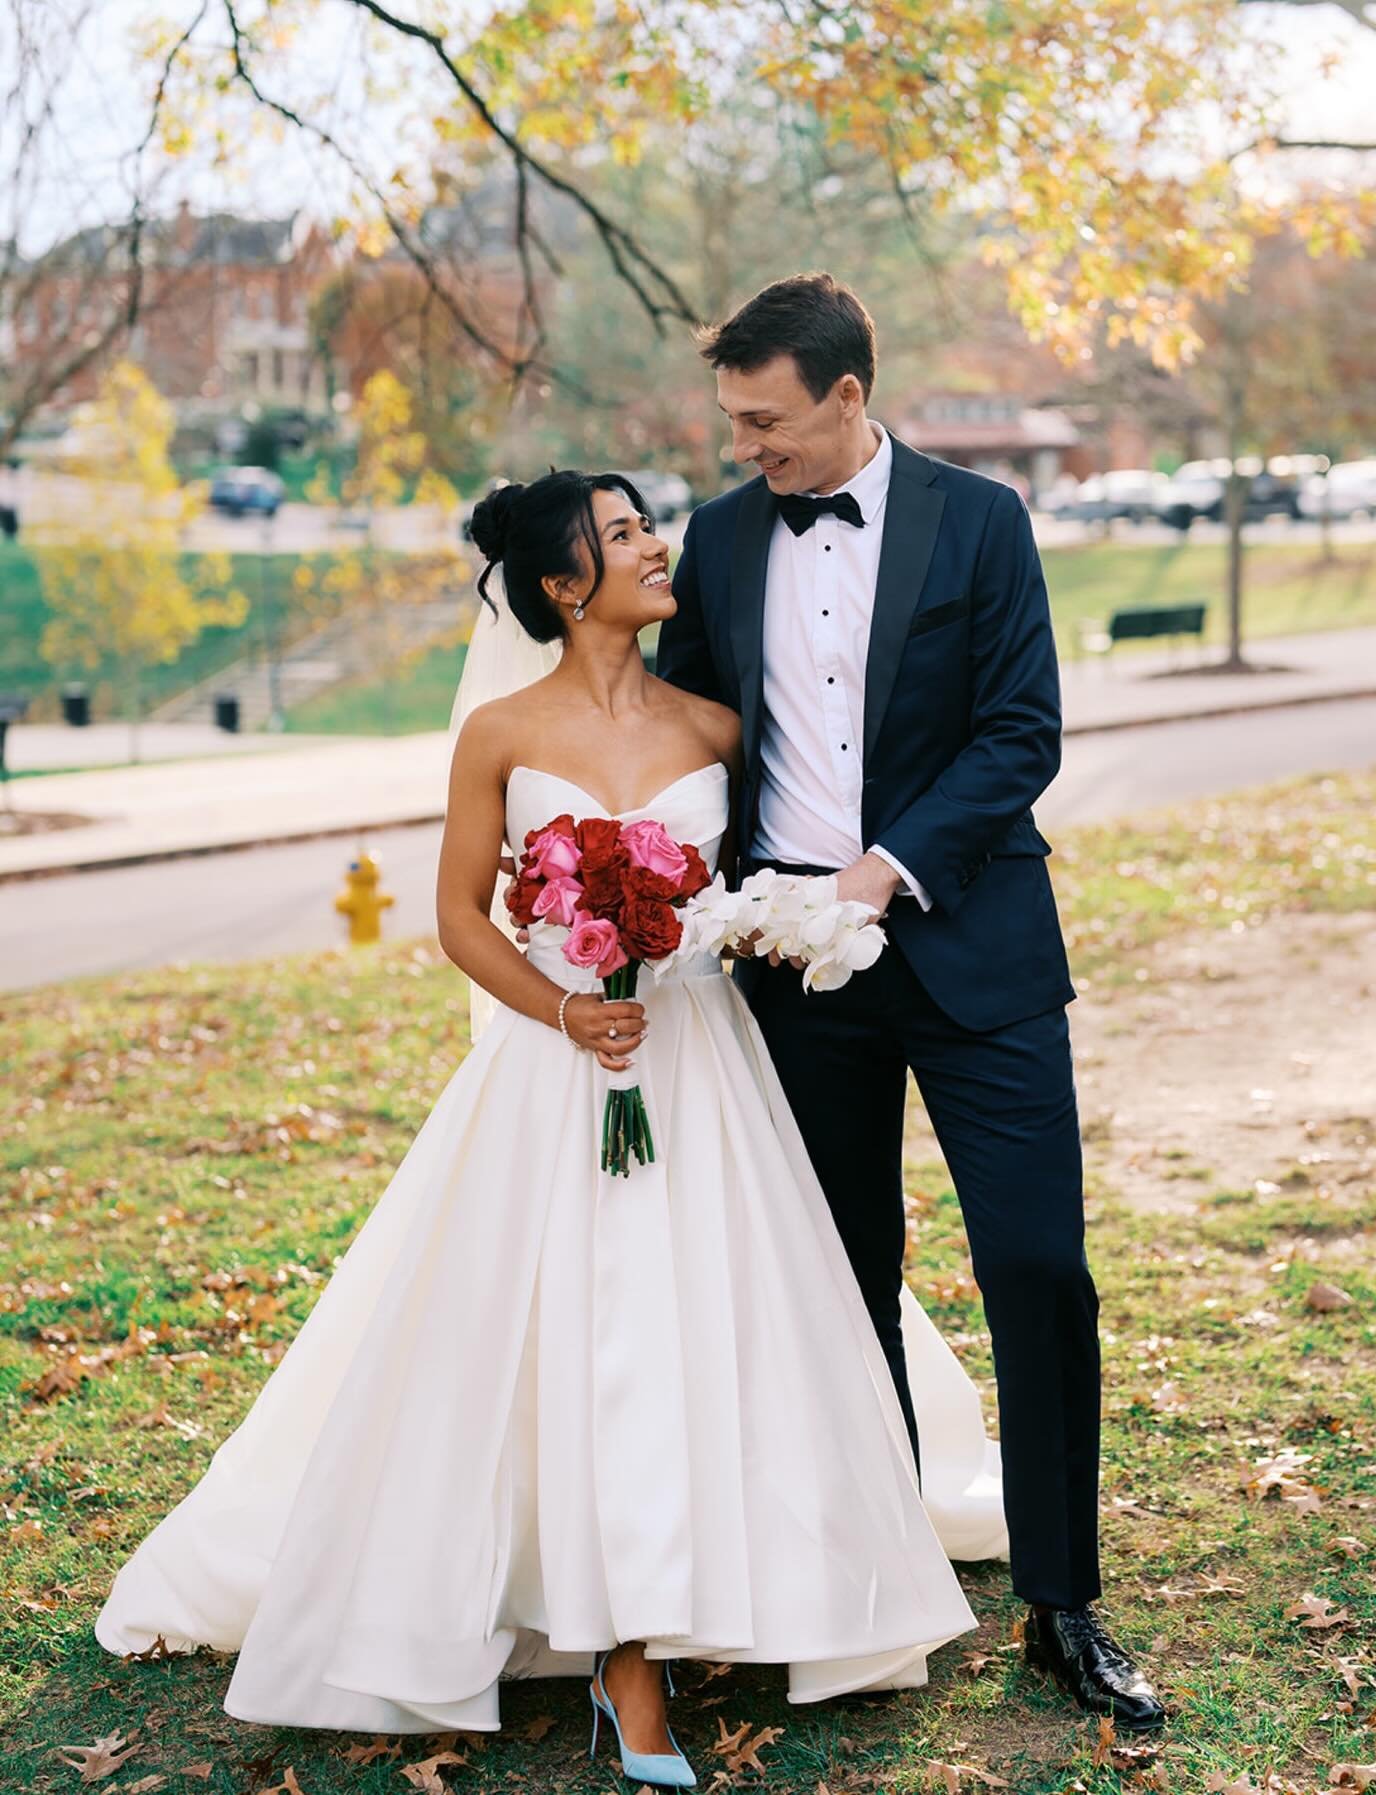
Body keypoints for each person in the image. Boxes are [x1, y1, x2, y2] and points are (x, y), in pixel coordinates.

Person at [93, 469, 1008, 1786]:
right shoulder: (500, 736)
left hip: (700, 1066)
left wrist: (760, 930)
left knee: (707, 1320)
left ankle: (714, 1596)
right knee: (584, 1333)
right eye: (623, 534)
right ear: (565, 584)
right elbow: (464, 914)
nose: (654, 545)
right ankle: (617, 1657)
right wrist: (568, 1011)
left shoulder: (715, 724)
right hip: (559, 1069)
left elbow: (768, 873)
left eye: (649, 525)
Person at [655, 272, 1165, 1731]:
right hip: (791, 977)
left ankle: (1062, 1601)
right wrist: (658, 874)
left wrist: (887, 871)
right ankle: (871, 1582)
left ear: (847, 396)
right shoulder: (719, 535)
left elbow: (1023, 732)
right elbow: (698, 734)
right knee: (840, 1283)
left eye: (767, 421)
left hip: (975, 951)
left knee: (1039, 1270)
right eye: (733, 422)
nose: (750, 445)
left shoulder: (983, 522)